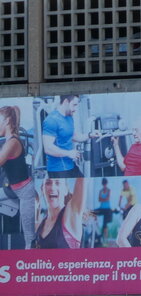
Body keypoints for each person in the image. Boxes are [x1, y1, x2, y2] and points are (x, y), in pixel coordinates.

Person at [0, 104, 37, 249]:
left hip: (25, 193)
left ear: (7, 121)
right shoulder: (8, 141)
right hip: (12, 189)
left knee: (29, 240)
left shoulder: (13, 142)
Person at [33, 175, 87, 249]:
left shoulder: (71, 216)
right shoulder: (39, 226)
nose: (52, 188)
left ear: (65, 190)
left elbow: (82, 176)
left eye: (57, 183)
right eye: (48, 183)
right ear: (42, 189)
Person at [41, 95, 89, 178]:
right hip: (58, 169)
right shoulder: (51, 120)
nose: (75, 109)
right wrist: (69, 153)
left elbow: (72, 136)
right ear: (66, 102)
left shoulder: (69, 117)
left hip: (70, 165)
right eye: (74, 105)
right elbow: (48, 148)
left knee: (84, 184)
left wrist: (89, 135)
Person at [94, 178, 113, 244]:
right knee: (92, 212)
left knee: (105, 225)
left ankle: (106, 240)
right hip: (101, 208)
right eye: (103, 184)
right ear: (102, 184)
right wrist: (104, 199)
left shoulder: (109, 190)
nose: (104, 185)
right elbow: (99, 200)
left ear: (106, 184)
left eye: (105, 184)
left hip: (107, 210)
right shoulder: (100, 191)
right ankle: (97, 227)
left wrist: (102, 199)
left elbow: (107, 199)